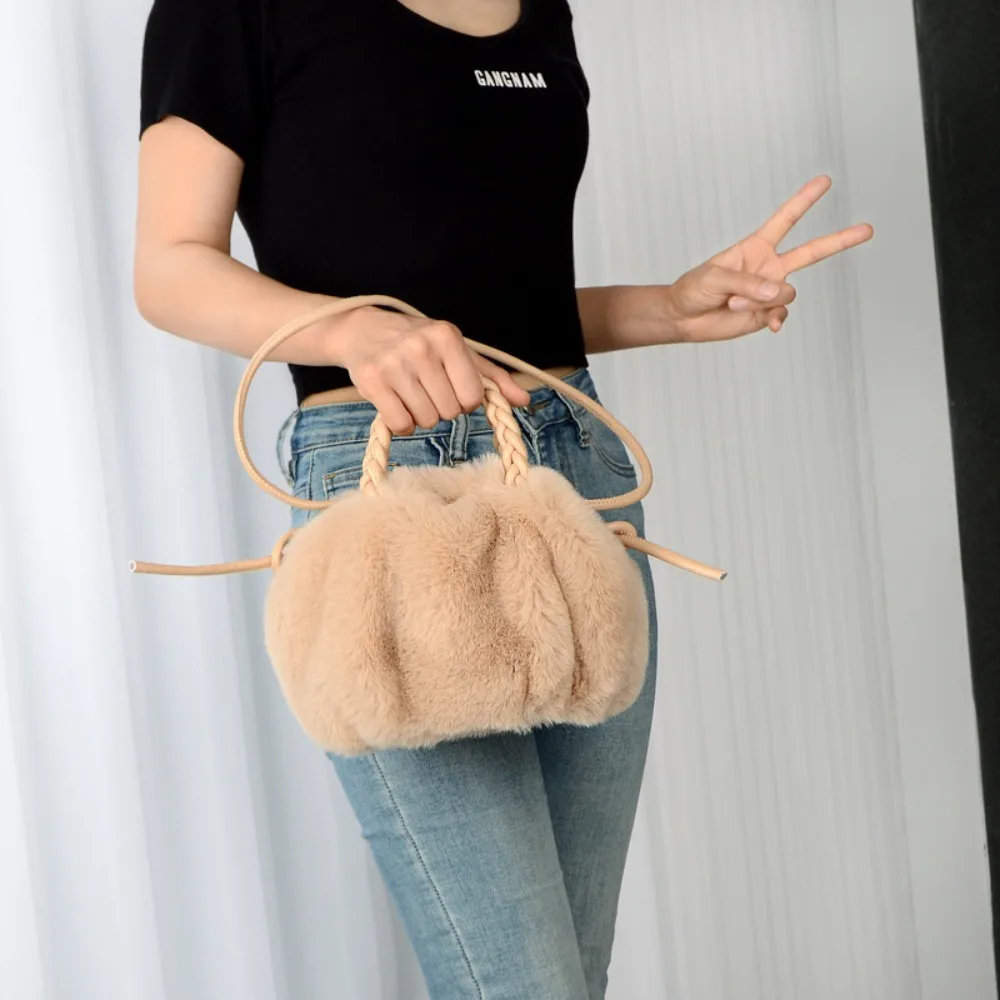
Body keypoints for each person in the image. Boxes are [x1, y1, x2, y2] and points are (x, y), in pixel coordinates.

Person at [135, 0, 873, 995]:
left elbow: (491, 291)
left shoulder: (541, 7)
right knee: (523, 984)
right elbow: (168, 267)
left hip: (580, 477)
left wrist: (666, 309)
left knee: (570, 974)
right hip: (394, 490)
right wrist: (353, 331)